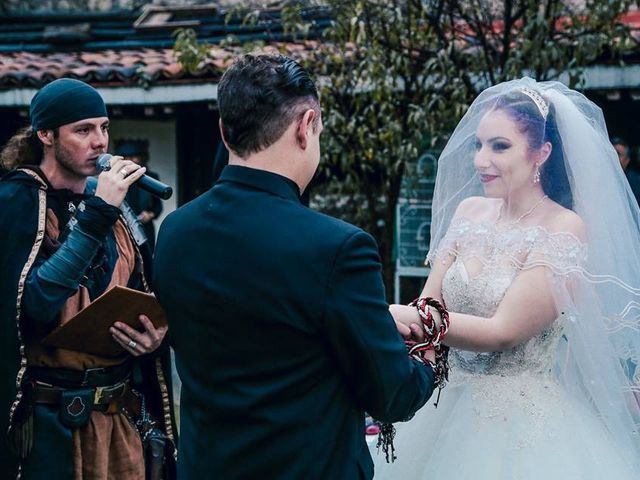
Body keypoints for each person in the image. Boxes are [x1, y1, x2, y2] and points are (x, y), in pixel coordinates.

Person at [152, 54, 437, 479]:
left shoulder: (175, 230)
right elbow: (391, 394)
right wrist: (428, 361)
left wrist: (375, 319)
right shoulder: (338, 248)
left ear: (224, 132)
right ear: (306, 126)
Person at [374, 79, 640, 478]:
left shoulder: (563, 228)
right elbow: (429, 303)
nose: (482, 160)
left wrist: (406, 317)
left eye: (500, 146)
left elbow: (504, 331)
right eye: (478, 145)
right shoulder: (468, 212)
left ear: (541, 153)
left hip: (520, 424)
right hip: (442, 402)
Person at [0, 78, 176, 479]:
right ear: (45, 134)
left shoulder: (113, 207)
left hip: (118, 419)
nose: (100, 142)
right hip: (48, 425)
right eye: (83, 130)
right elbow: (35, 305)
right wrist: (98, 214)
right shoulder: (16, 201)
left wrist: (154, 338)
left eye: (104, 127)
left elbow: (142, 293)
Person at [115, 139, 164, 251]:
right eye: (127, 158)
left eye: (134, 157)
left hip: (145, 227)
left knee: (147, 257)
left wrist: (150, 215)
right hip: (124, 227)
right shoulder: (117, 178)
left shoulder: (151, 178)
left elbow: (158, 206)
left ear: (141, 158)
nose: (131, 161)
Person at [612, 136, 640, 207]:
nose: (614, 157)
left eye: (618, 154)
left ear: (627, 160)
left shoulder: (636, 182)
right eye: (612, 153)